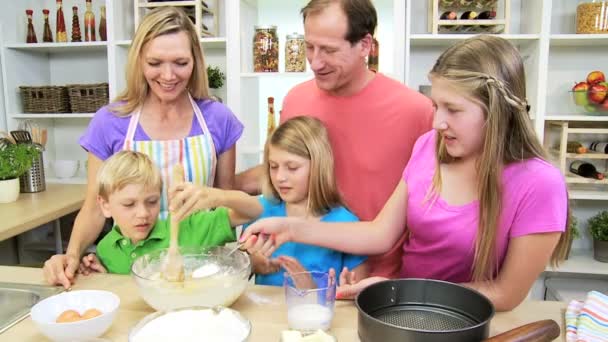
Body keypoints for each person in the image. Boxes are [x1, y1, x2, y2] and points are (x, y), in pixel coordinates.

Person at [241, 35, 572, 311]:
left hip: (466, 319)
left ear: (498, 112)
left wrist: (403, 293)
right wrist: (290, 228)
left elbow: (506, 294)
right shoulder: (430, 146)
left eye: (453, 110)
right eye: (437, 105)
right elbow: (379, 234)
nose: (437, 121)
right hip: (405, 310)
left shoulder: (539, 184)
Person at [44, 7, 243, 288]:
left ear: (196, 61)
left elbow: (226, 200)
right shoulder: (110, 122)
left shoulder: (218, 118)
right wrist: (72, 255)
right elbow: (94, 206)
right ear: (138, 60)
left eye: (180, 62)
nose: (168, 75)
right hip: (132, 270)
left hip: (202, 269)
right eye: (155, 62)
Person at [234, 0, 433, 279]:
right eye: (309, 47)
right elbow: (287, 166)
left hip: (379, 281)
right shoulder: (296, 99)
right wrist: (226, 186)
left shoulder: (417, 111)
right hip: (303, 274)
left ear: (365, 45)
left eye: (328, 50)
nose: (315, 62)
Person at [170, 116, 368, 286]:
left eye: (292, 167)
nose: (280, 177)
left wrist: (314, 289)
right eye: (273, 166)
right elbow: (243, 271)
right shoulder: (262, 210)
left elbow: (354, 297)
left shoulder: (346, 224)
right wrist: (254, 264)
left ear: (319, 167)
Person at [76, 151, 240, 276]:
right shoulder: (105, 249)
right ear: (105, 205)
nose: (143, 213)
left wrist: (218, 196)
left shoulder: (186, 230)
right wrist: (103, 278)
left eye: (152, 201)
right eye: (129, 204)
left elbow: (252, 211)